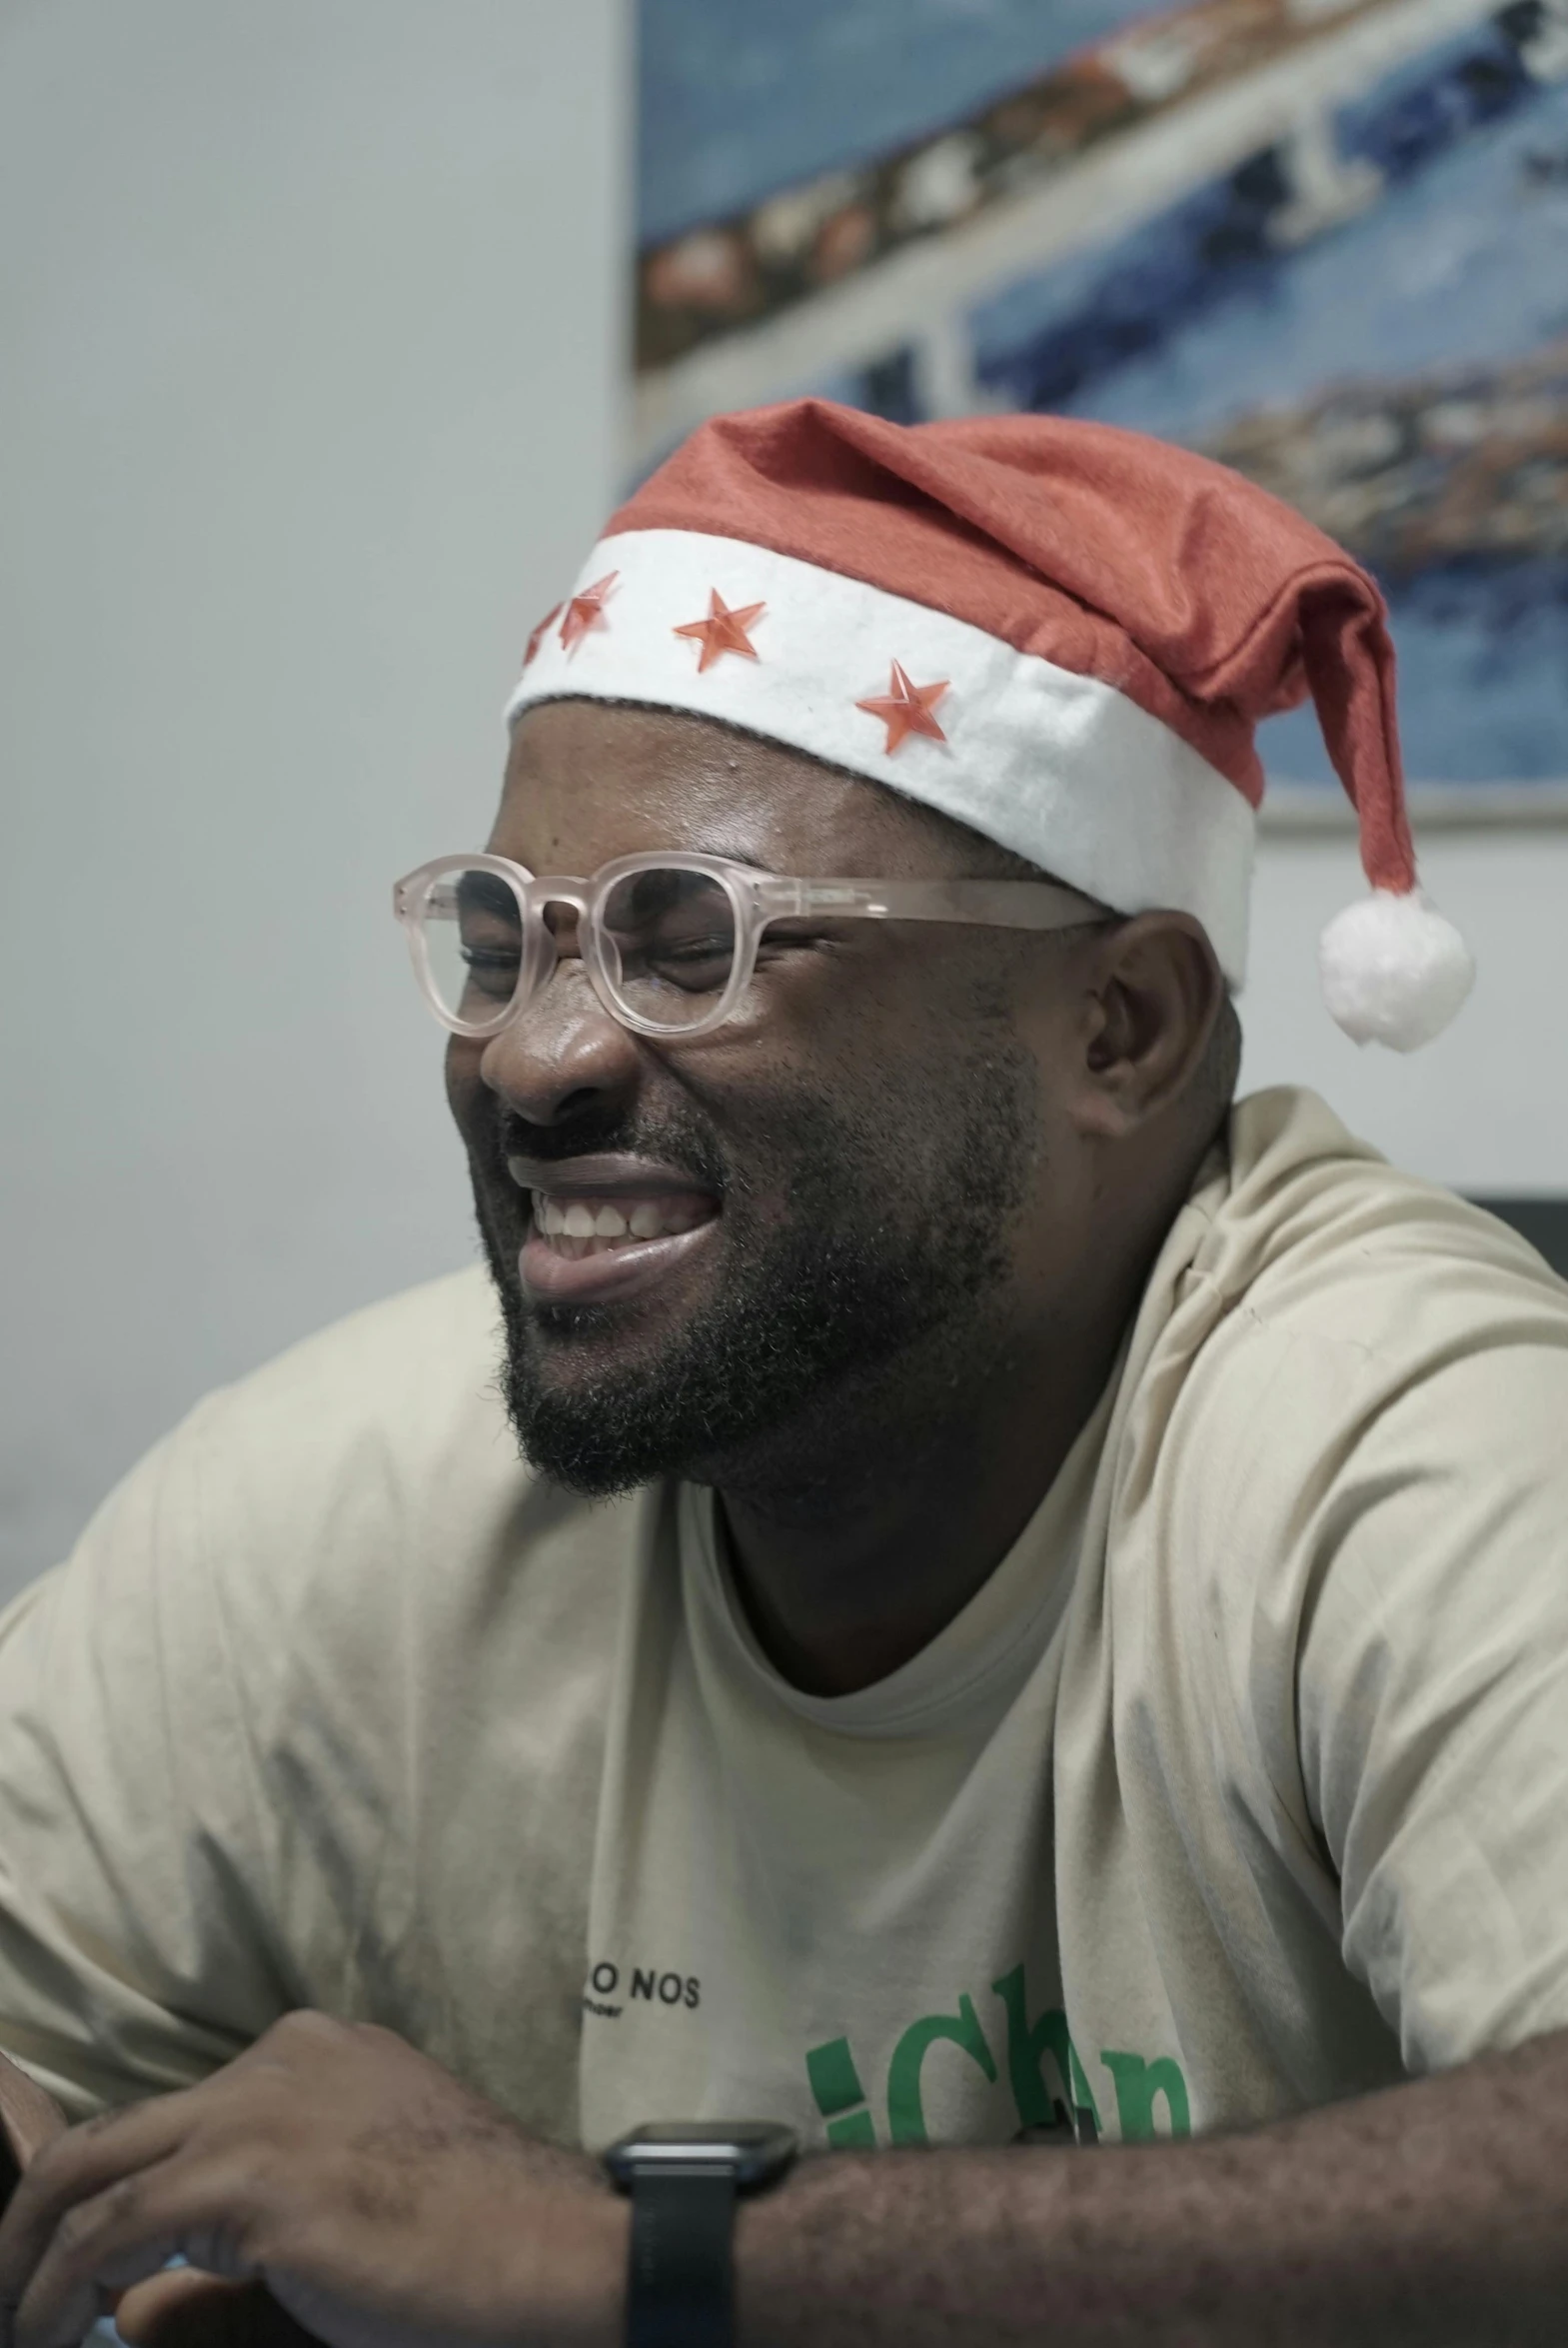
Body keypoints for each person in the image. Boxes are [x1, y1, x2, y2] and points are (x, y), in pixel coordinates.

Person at [0, 398, 1564, 2348]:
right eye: (504, 943)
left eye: (690, 941)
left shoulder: (1391, 1431)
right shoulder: (352, 1503)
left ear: (1124, 1027)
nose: (531, 1060)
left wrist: (631, 2263)